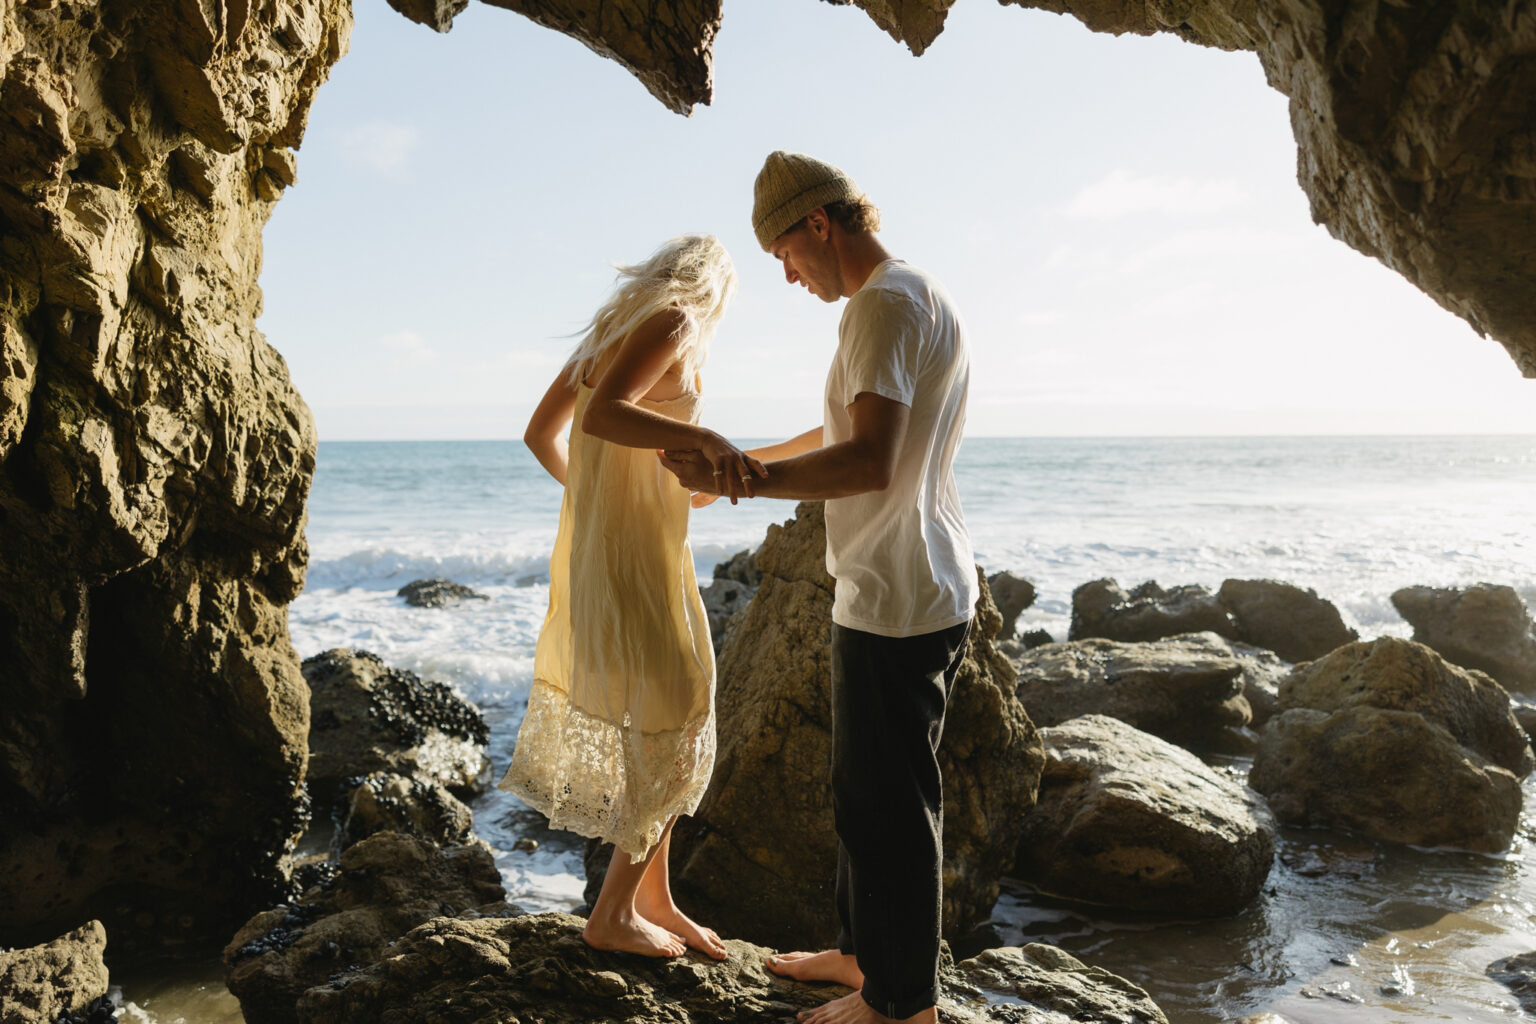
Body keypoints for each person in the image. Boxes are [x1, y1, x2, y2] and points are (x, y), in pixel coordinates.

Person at [660, 152, 978, 1024]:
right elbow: (848, 426)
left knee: (892, 807)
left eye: (784, 257)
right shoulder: (917, 292)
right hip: (903, 579)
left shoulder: (882, 306)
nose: (789, 277)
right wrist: (742, 466)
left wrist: (749, 481)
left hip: (901, 591)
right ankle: (865, 955)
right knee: (863, 792)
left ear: (818, 225)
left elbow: (869, 460)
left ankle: (902, 1005)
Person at [500, 234, 765, 960]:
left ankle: (655, 897)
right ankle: (612, 913)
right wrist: (704, 434)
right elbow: (603, 418)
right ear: (714, 286)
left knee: (667, 719)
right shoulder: (677, 319)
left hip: (610, 556)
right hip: (639, 565)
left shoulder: (608, 335)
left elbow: (540, 434)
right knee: (681, 722)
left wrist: (621, 502)